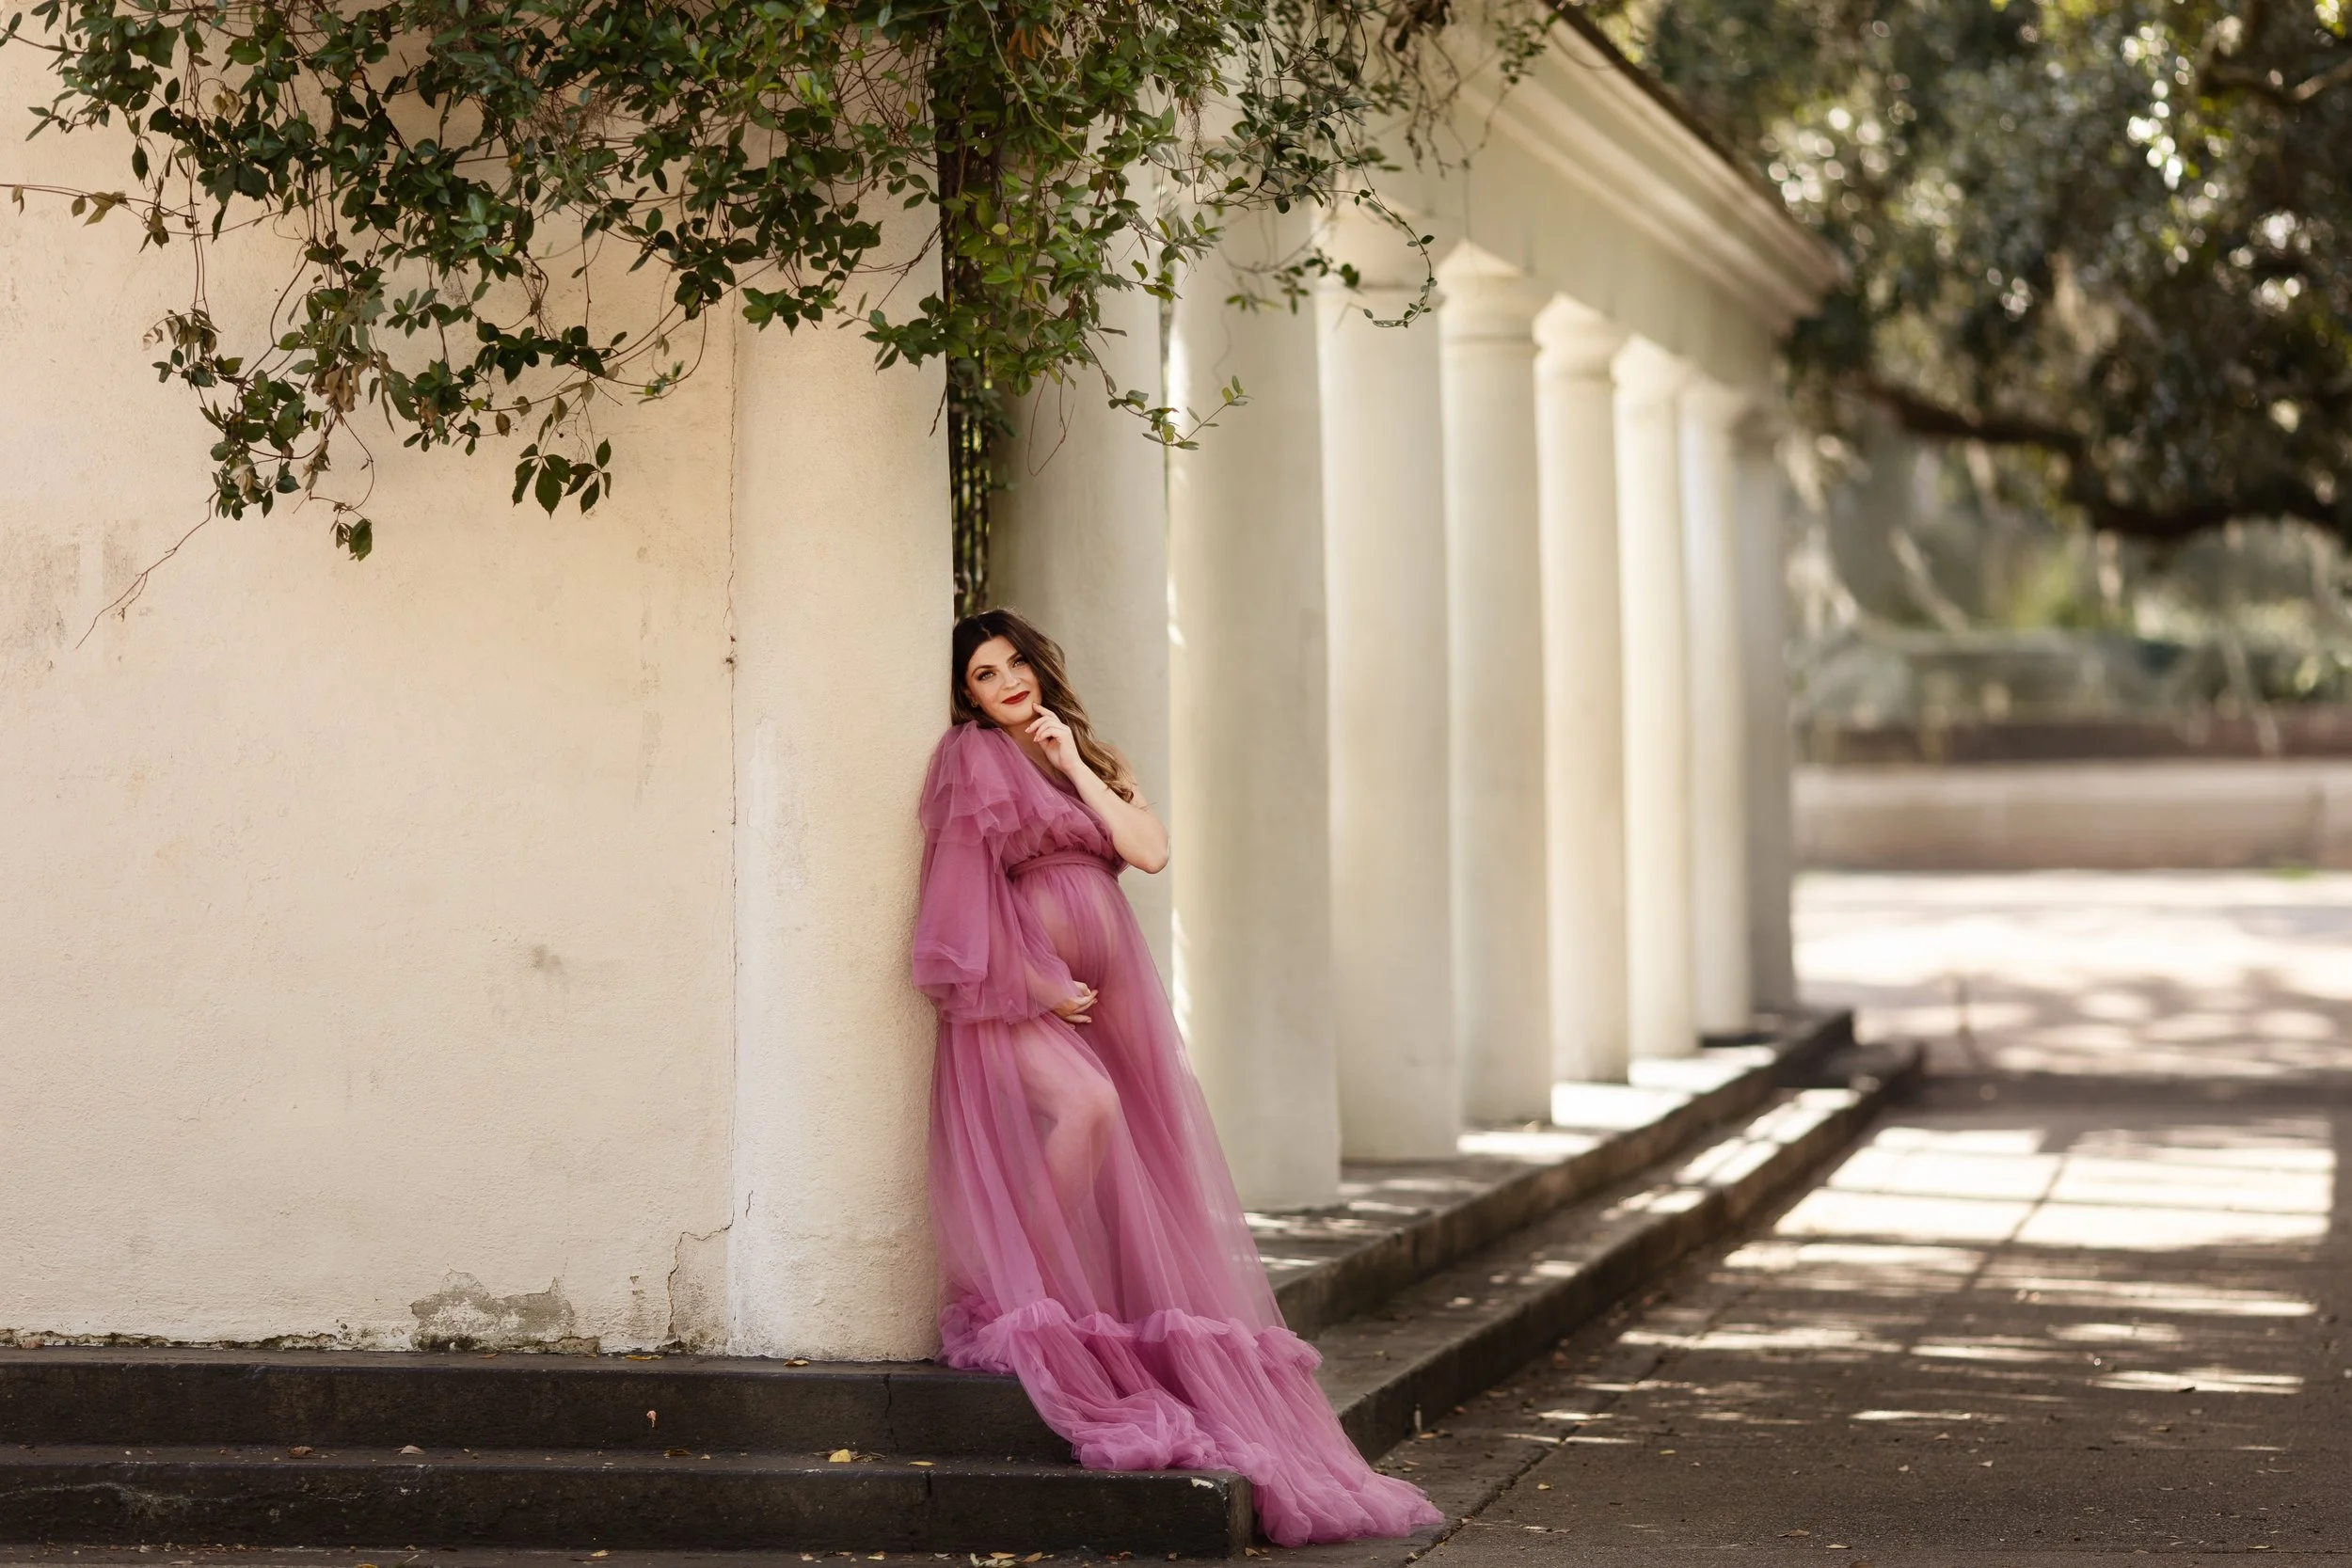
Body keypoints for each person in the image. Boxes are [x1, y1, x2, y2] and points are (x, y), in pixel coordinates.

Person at [913, 609, 1442, 1546]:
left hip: (1110, 997)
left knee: (1134, 1152)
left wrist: (1072, 760)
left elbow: (1149, 850)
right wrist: (1035, 977)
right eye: (987, 673)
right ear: (968, 693)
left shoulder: (1082, 756)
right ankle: (1017, 1291)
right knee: (1087, 1108)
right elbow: (963, 887)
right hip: (1024, 992)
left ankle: (1063, 1296)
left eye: (1017, 662)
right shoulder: (972, 758)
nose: (1008, 682)